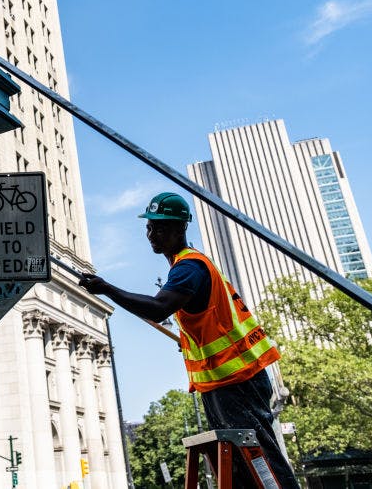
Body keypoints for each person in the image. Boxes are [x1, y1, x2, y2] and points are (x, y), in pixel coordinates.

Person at [78, 192, 299, 489]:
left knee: (261, 460)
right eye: (150, 227)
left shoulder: (188, 268)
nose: (152, 234)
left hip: (237, 380)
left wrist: (107, 288)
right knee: (242, 465)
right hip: (225, 381)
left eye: (161, 227)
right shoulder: (187, 266)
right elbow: (208, 321)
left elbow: (158, 308)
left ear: (181, 228)